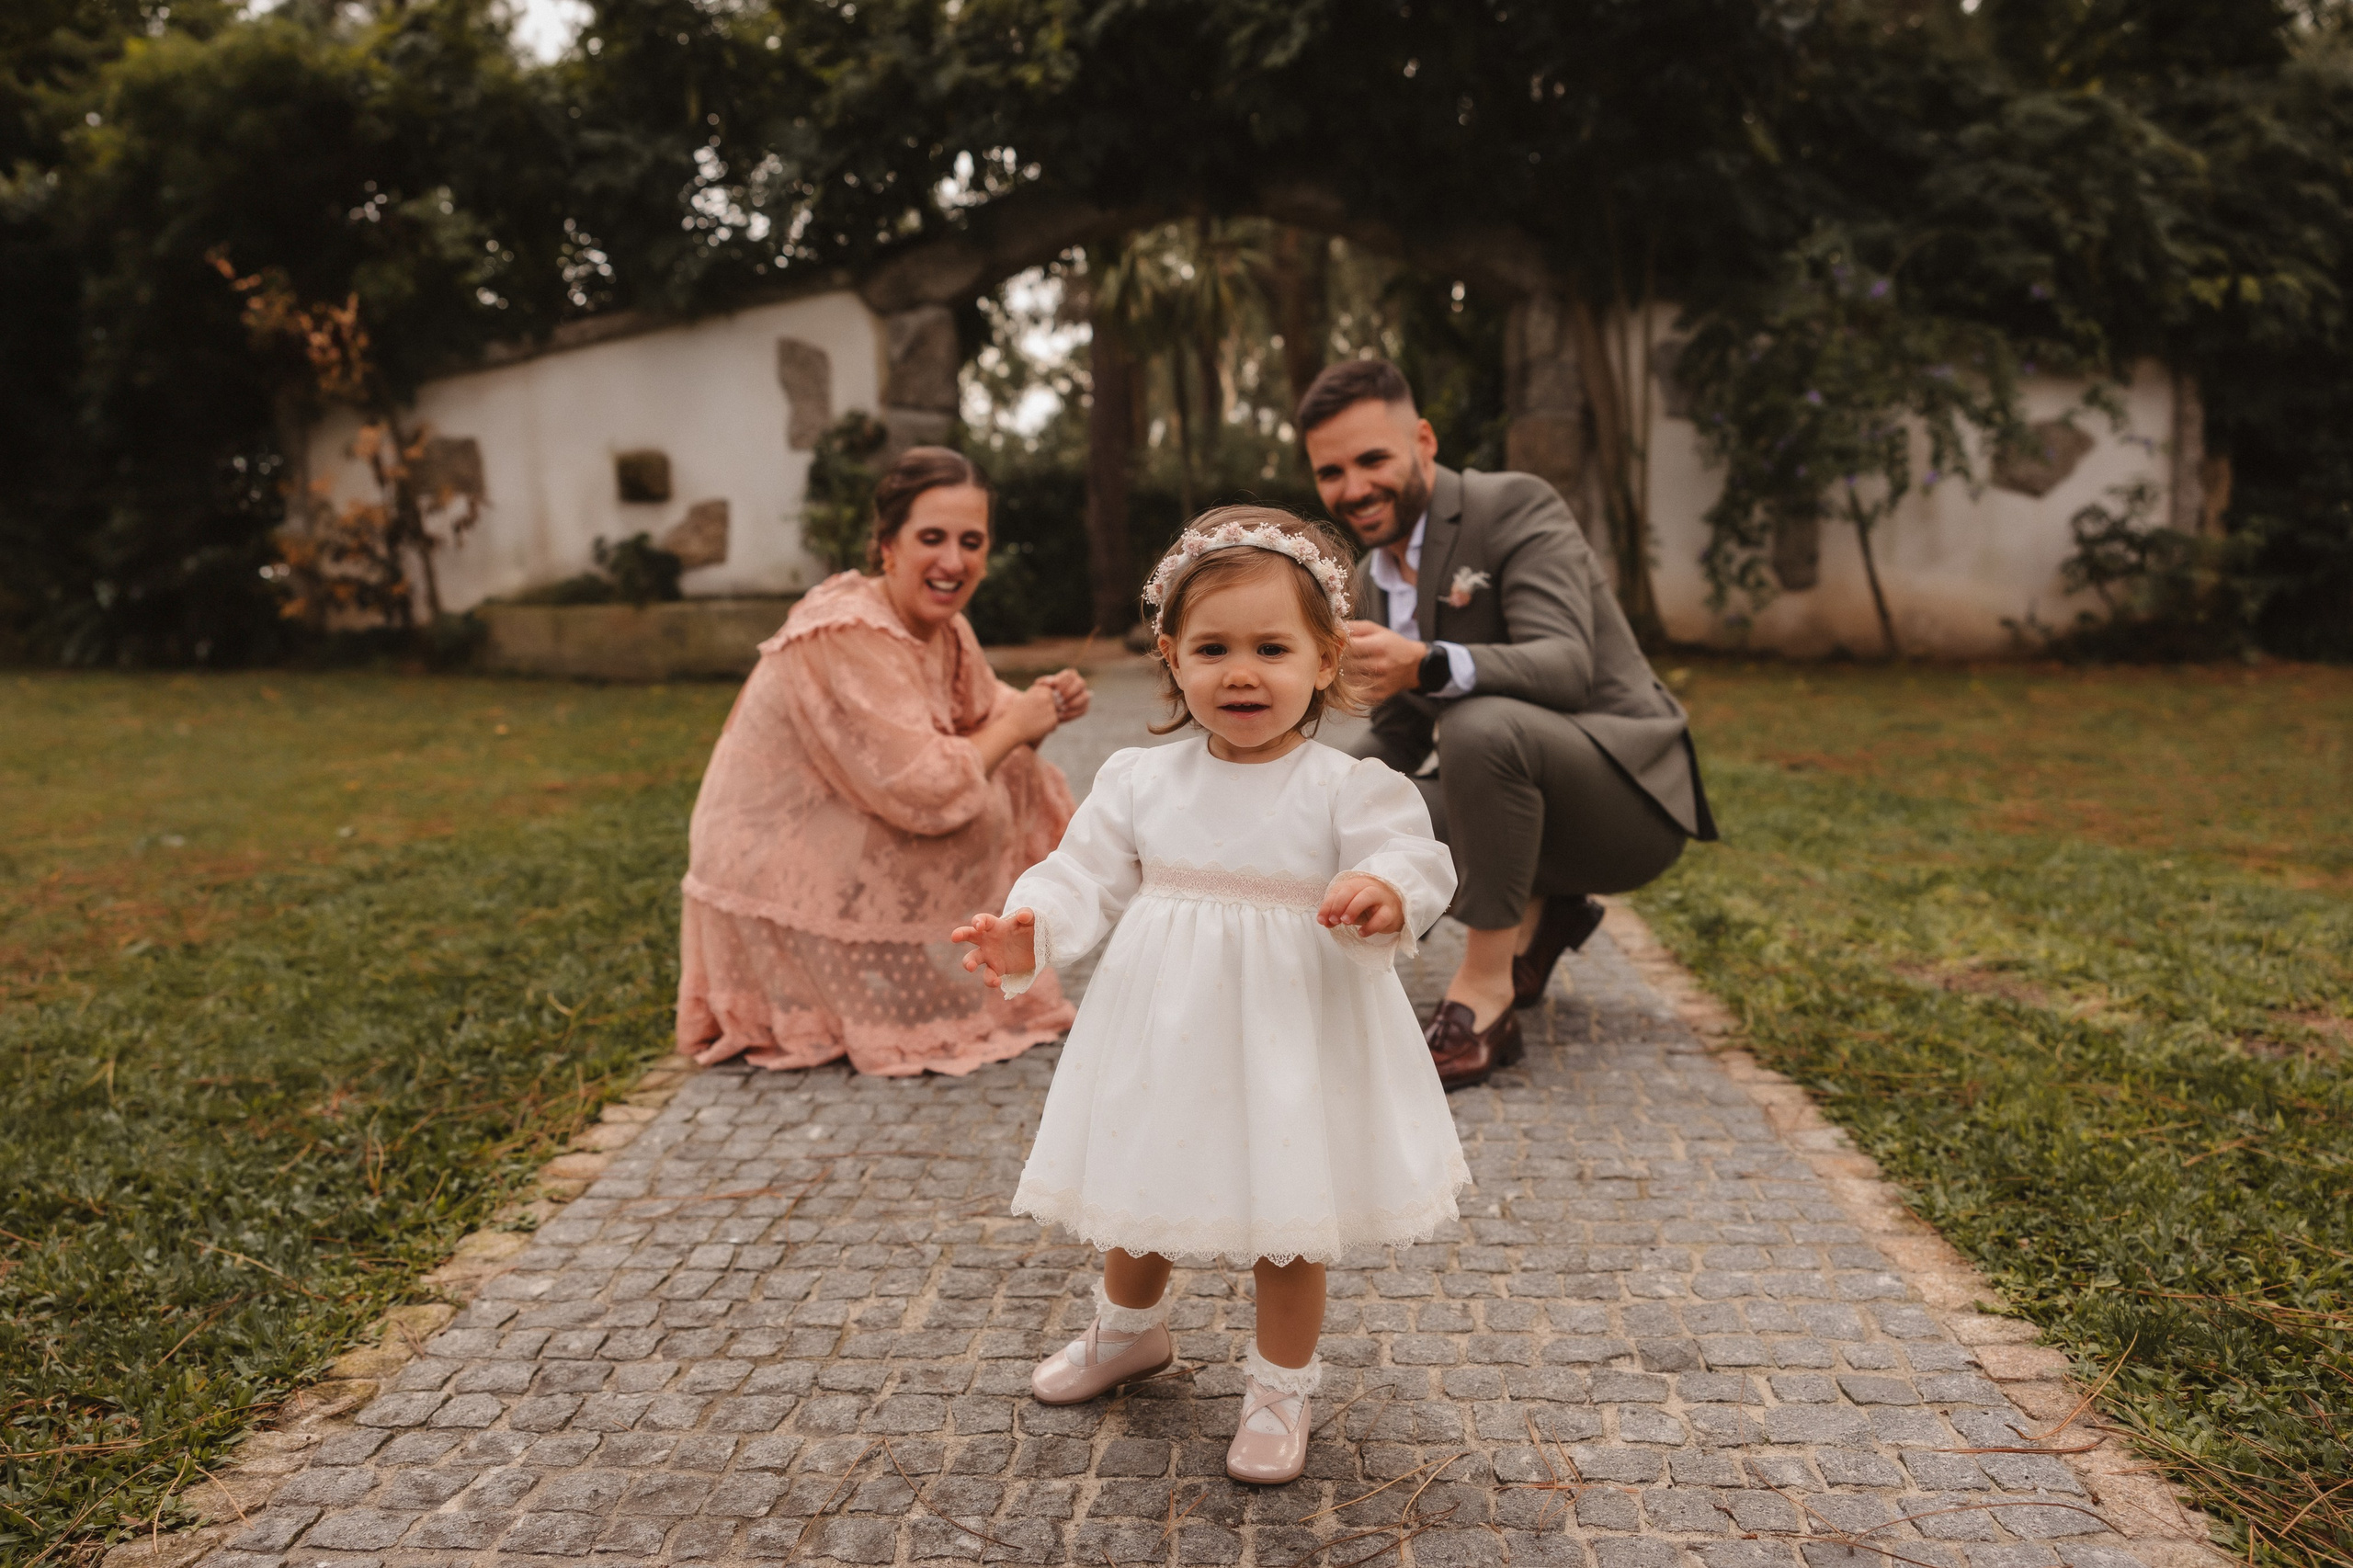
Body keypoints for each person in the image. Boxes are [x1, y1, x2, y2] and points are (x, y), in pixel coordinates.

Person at [950, 508, 1465, 1486]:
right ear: (1171, 657)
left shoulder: (1343, 786)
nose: (1241, 672)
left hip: (1291, 1037)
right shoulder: (1141, 778)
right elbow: (1083, 871)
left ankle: (1280, 1381)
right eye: (1214, 647)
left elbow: (1415, 854)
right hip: (1167, 1029)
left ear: (1322, 661)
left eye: (1271, 647)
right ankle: (1129, 1329)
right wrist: (1032, 926)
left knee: (1287, 1213)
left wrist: (1386, 891)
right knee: (1144, 1189)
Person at [1297, 358, 1718, 1089]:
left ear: (1423, 441)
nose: (1354, 488)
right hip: (1526, 806)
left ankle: (1486, 993)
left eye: (1373, 459)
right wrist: (1304, 795)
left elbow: (1567, 665)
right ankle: (1539, 917)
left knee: (1481, 727)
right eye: (1331, 472)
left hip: (1627, 802)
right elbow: (1395, 735)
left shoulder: (1513, 505)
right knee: (1349, 793)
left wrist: (1427, 661)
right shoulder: (1370, 579)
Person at [674, 447, 1091, 1076]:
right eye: (932, 538)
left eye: (971, 541)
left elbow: (982, 705)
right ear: (887, 544)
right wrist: (1016, 724)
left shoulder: (940, 625)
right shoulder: (849, 630)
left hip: (827, 830)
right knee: (981, 788)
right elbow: (922, 787)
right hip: (763, 862)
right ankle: (883, 992)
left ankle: (944, 973)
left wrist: (1043, 703)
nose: (953, 561)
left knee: (1012, 769)